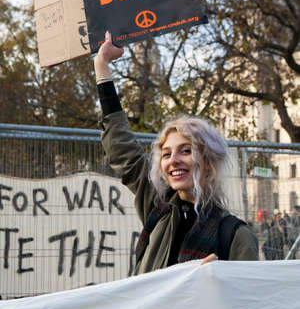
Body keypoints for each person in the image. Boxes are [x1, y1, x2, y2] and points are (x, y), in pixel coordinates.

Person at [94, 32, 259, 275]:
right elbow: (122, 150)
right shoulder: (157, 208)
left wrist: (217, 284)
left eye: (186, 150)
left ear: (209, 161)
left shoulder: (236, 235)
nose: (173, 160)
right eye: (166, 153)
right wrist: (102, 67)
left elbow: (249, 305)